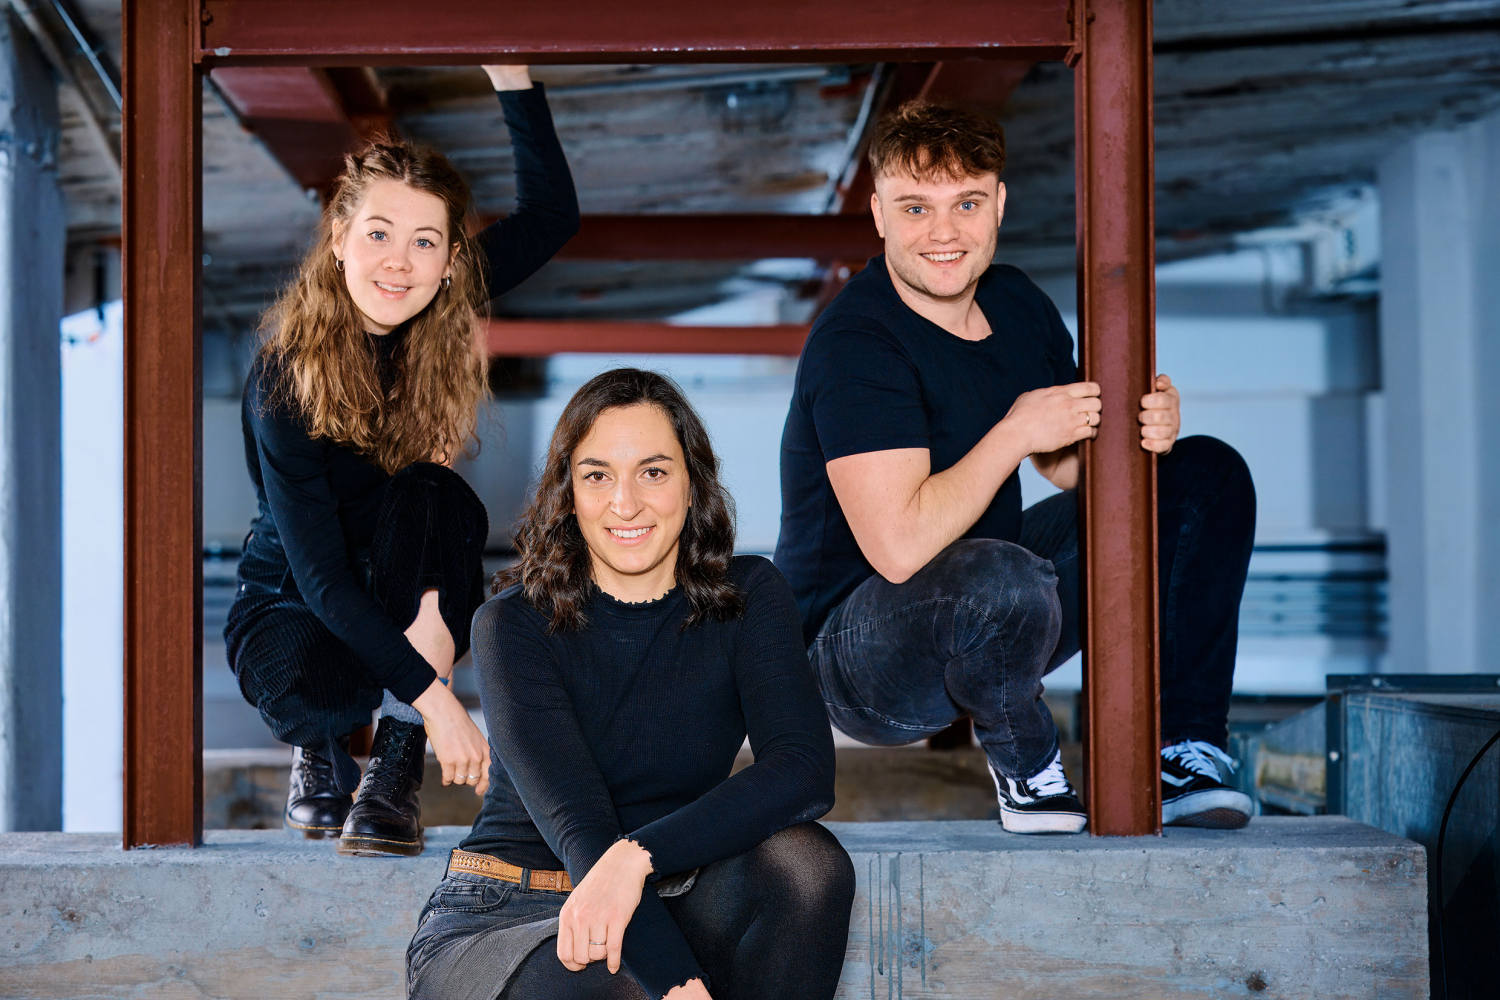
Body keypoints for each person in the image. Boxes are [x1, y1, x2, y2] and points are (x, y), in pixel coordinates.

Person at [775, 101, 1257, 834]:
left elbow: (1067, 465)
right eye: (916, 208)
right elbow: (900, 548)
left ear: (998, 204)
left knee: (1204, 477)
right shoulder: (857, 343)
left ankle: (1181, 752)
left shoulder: (1017, 303)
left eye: (966, 203)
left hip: (995, 597)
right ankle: (1028, 768)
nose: (944, 233)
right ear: (877, 214)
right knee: (998, 575)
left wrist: (1141, 438)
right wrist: (1013, 432)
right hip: (852, 655)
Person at [407, 369, 854, 1000]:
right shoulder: (512, 626)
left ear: (693, 484)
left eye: (653, 471)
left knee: (808, 866)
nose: (626, 503)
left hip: (662, 887)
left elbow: (803, 772)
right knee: (631, 986)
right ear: (568, 495)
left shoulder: (749, 595)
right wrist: (676, 984)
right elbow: (584, 833)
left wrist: (637, 857)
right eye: (597, 476)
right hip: (510, 907)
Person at [224, 65, 580, 856]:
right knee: (302, 685)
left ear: (451, 262)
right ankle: (318, 750)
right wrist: (446, 705)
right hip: (292, 600)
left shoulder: (442, 298)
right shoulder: (287, 376)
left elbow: (553, 215)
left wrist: (513, 73)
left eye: (424, 242)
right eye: (378, 233)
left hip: (399, 582)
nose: (399, 261)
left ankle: (393, 760)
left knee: (436, 494)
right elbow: (319, 581)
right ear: (339, 241)